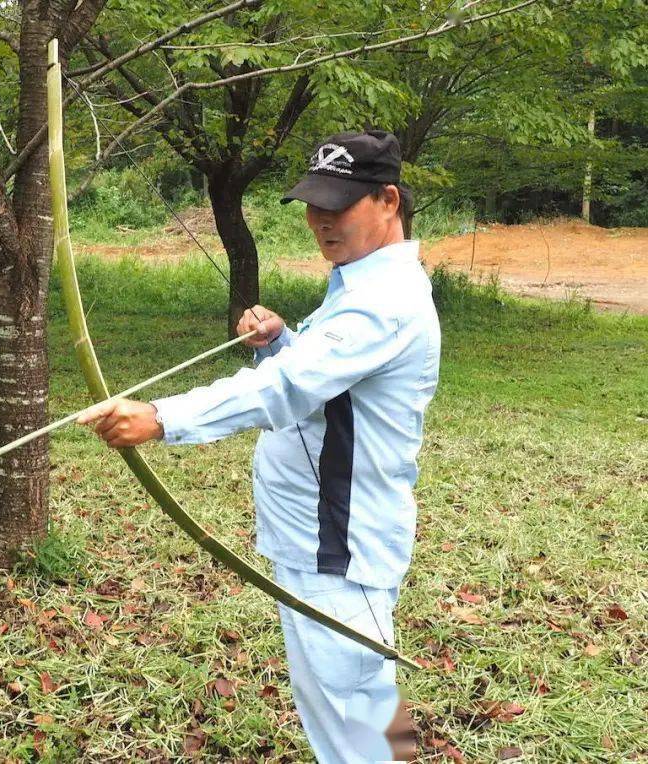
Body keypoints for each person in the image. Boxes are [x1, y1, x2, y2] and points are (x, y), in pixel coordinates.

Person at [77, 130, 439, 763]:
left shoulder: (384, 301)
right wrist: (282, 339)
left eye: (339, 205)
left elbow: (288, 390)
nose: (321, 220)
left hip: (341, 550)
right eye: (314, 204)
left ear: (388, 200)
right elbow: (328, 382)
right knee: (346, 708)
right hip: (317, 541)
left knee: (359, 713)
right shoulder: (360, 282)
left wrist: (160, 416)